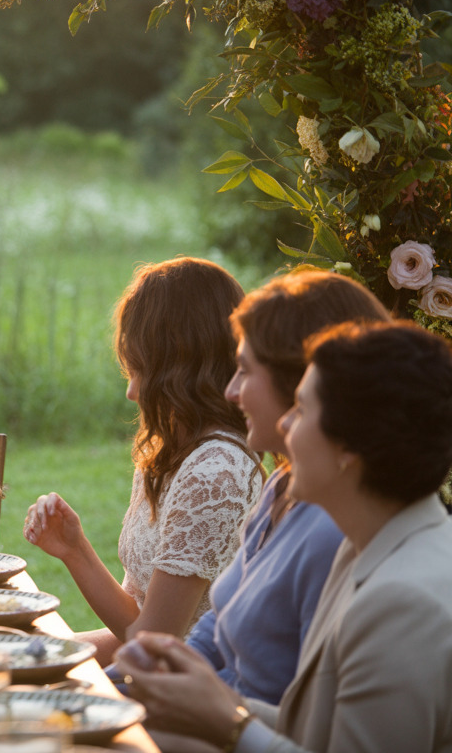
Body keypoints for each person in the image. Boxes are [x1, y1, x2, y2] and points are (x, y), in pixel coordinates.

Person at [117, 322, 452, 753]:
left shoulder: (403, 601)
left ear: (348, 448)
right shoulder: (367, 543)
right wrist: (208, 701)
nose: (287, 423)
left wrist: (228, 722)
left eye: (303, 410)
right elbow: (318, 726)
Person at [23, 257, 262, 663]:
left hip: (187, 690)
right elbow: (132, 622)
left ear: (180, 367)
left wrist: (77, 552)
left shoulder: (215, 473)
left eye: (141, 370)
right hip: (147, 668)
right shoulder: (170, 452)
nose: (131, 392)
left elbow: (148, 642)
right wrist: (36, 653)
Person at [180, 272, 389, 709]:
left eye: (243, 370)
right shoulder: (283, 482)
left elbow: (312, 715)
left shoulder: (337, 524)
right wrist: (157, 668)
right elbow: (220, 623)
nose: (230, 391)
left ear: (297, 381)